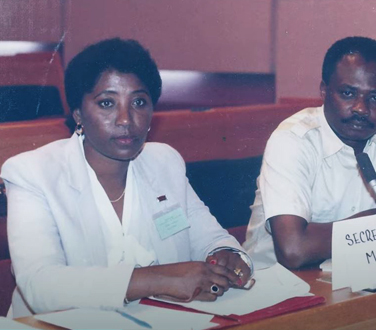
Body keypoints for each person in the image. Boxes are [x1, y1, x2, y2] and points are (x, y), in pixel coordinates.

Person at [2, 38, 252, 317]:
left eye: (139, 102)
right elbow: (40, 287)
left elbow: (213, 240)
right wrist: (158, 279)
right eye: (107, 103)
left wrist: (228, 257)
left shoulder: (163, 162)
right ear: (78, 114)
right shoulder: (32, 173)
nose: (125, 119)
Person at [244, 36, 376, 269]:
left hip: (356, 277)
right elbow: (294, 250)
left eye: (375, 98)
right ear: (324, 91)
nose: (361, 109)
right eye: (347, 93)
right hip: (278, 287)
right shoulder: (293, 140)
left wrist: (338, 236)